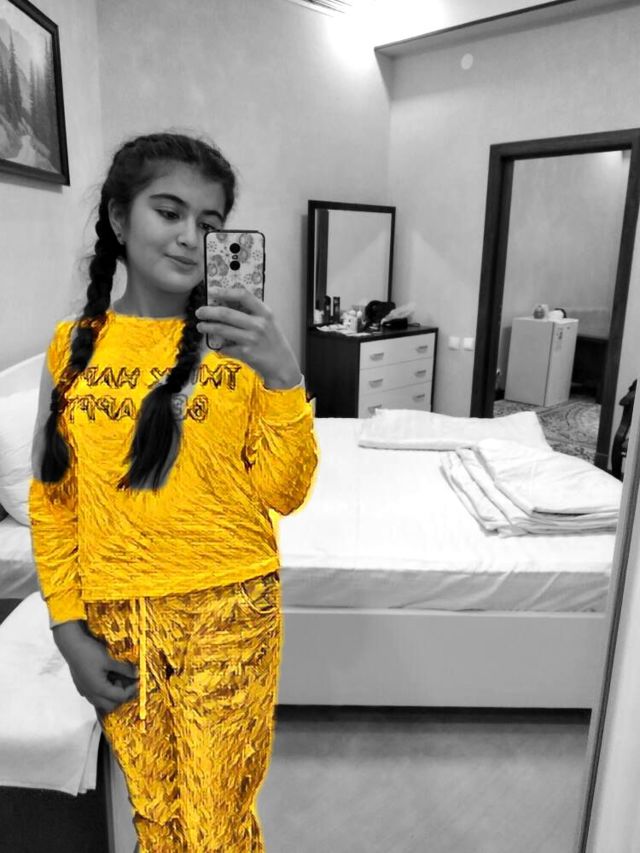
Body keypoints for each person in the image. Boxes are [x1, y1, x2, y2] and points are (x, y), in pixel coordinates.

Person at [28, 131, 319, 852]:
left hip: (229, 609)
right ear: (119, 219)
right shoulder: (71, 345)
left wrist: (283, 376)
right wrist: (67, 629)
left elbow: (285, 491)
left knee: (218, 826)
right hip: (117, 617)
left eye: (210, 222)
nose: (191, 237)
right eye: (169, 212)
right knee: (156, 817)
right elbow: (53, 500)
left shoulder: (241, 343)